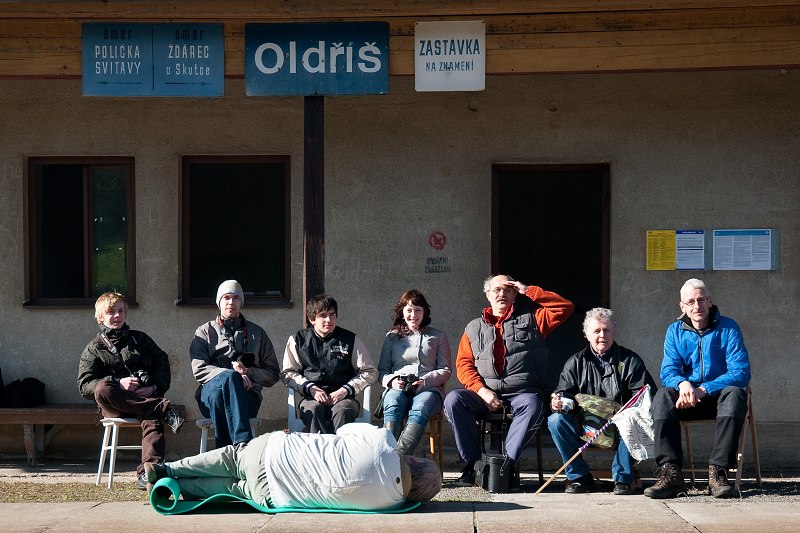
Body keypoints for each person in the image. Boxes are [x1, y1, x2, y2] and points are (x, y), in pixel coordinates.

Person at [444, 274, 574, 487]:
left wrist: (528, 289)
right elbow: (463, 366)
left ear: (515, 294)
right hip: (484, 394)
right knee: (454, 400)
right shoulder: (473, 328)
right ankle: (473, 466)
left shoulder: (533, 319)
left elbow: (564, 307)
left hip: (522, 393)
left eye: (508, 290)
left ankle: (506, 467)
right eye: (496, 290)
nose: (502, 294)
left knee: (533, 405)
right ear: (487, 295)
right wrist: (481, 391)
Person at [142, 423, 442, 510]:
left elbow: (345, 430)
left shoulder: (384, 441)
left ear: (414, 459)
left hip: (276, 452)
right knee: (231, 488)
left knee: (231, 459)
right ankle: (173, 489)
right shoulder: (387, 503)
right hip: (274, 494)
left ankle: (168, 470)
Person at [644, 278, 751, 499]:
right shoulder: (674, 331)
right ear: (682, 306)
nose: (697, 306)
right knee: (663, 396)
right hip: (687, 399)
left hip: (718, 399)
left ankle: (718, 473)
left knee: (736, 394)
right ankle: (671, 474)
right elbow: (668, 371)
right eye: (690, 302)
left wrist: (703, 388)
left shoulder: (728, 328)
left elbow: (740, 373)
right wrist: (683, 384)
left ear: (710, 302)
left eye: (701, 300)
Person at [78, 292, 185, 490]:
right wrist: (119, 383)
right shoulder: (94, 348)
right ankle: (162, 408)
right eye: (111, 312)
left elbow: (162, 363)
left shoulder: (140, 339)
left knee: (151, 416)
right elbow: (84, 386)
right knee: (102, 388)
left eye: (121, 311)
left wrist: (153, 387)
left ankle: (148, 473)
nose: (117, 316)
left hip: (144, 399)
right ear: (100, 317)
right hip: (115, 404)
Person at [548, 307, 657, 495]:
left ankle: (623, 478)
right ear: (586, 334)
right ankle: (579, 477)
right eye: (596, 331)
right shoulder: (575, 362)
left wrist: (624, 413)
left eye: (606, 330)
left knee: (632, 418)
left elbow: (645, 397)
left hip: (621, 428)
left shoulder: (631, 361)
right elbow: (564, 393)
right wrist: (558, 402)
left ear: (613, 332)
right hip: (585, 426)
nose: (602, 335)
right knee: (555, 420)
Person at [190, 280, 280, 448]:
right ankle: (242, 445)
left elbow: (273, 374)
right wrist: (232, 375)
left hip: (247, 397)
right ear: (219, 302)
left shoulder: (257, 334)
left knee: (222, 397)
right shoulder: (204, 332)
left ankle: (223, 454)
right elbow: (199, 369)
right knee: (227, 382)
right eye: (226, 298)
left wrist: (248, 372)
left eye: (236, 298)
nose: (231, 302)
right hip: (210, 394)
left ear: (241, 302)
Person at [281, 294, 378, 433]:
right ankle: (319, 453)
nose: (329, 320)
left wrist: (345, 390)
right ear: (312, 319)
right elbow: (288, 373)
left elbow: (370, 371)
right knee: (313, 410)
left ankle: (339, 452)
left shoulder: (350, 339)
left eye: (332, 315)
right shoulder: (298, 339)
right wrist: (310, 388)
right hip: (311, 398)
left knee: (342, 411)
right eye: (323, 315)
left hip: (345, 398)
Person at [378, 289, 452, 455]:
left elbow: (446, 369)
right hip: (398, 387)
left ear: (424, 312)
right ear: (402, 312)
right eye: (409, 310)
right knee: (392, 402)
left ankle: (397, 458)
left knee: (420, 407)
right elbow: (382, 371)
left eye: (418, 310)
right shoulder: (392, 337)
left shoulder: (438, 336)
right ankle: (386, 455)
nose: (413, 315)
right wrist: (392, 381)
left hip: (429, 389)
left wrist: (425, 381)